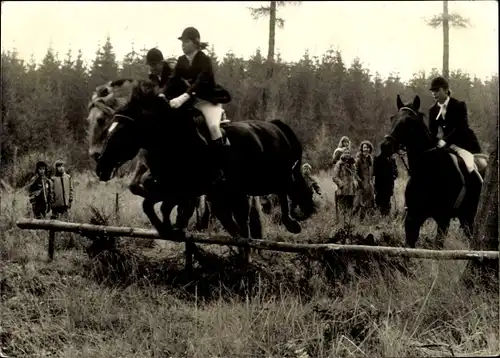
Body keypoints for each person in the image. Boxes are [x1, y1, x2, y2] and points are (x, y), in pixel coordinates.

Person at [164, 26, 232, 188]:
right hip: (191, 103)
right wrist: (162, 94)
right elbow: (173, 79)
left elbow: (201, 82)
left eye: (186, 41)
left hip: (209, 101)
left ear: (195, 42)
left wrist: (183, 97)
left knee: (214, 128)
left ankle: (221, 169)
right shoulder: (181, 60)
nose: (183, 45)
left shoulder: (204, 60)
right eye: (182, 42)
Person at [428, 76, 483, 188]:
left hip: (465, 144)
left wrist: (445, 140)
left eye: (437, 90)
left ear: (446, 90)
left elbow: (461, 128)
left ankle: (481, 189)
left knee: (469, 164)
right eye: (432, 91)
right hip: (448, 146)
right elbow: (432, 132)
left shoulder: (459, 105)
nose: (434, 93)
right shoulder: (433, 110)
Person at [332, 150, 357, 221]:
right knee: (342, 210)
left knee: (350, 210)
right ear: (342, 154)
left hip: (351, 191)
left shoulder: (352, 164)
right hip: (342, 191)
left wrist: (355, 183)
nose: (347, 154)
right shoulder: (339, 163)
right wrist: (341, 185)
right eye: (345, 153)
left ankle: (349, 225)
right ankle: (341, 225)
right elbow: (334, 177)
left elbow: (354, 175)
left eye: (349, 153)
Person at [354, 140, 375, 221]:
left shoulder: (370, 159)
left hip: (369, 185)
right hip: (361, 185)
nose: (366, 149)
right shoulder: (358, 159)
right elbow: (355, 173)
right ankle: (352, 220)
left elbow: (372, 173)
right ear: (362, 149)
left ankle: (363, 220)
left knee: (368, 204)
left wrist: (372, 183)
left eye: (367, 147)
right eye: (364, 147)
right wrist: (360, 182)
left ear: (370, 149)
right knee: (357, 204)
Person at [373, 152, 398, 216]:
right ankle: (379, 215)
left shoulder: (392, 159)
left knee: (387, 200)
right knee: (379, 200)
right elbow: (374, 172)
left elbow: (395, 171)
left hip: (389, 184)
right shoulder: (377, 159)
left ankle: (386, 215)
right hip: (380, 184)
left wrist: (394, 175)